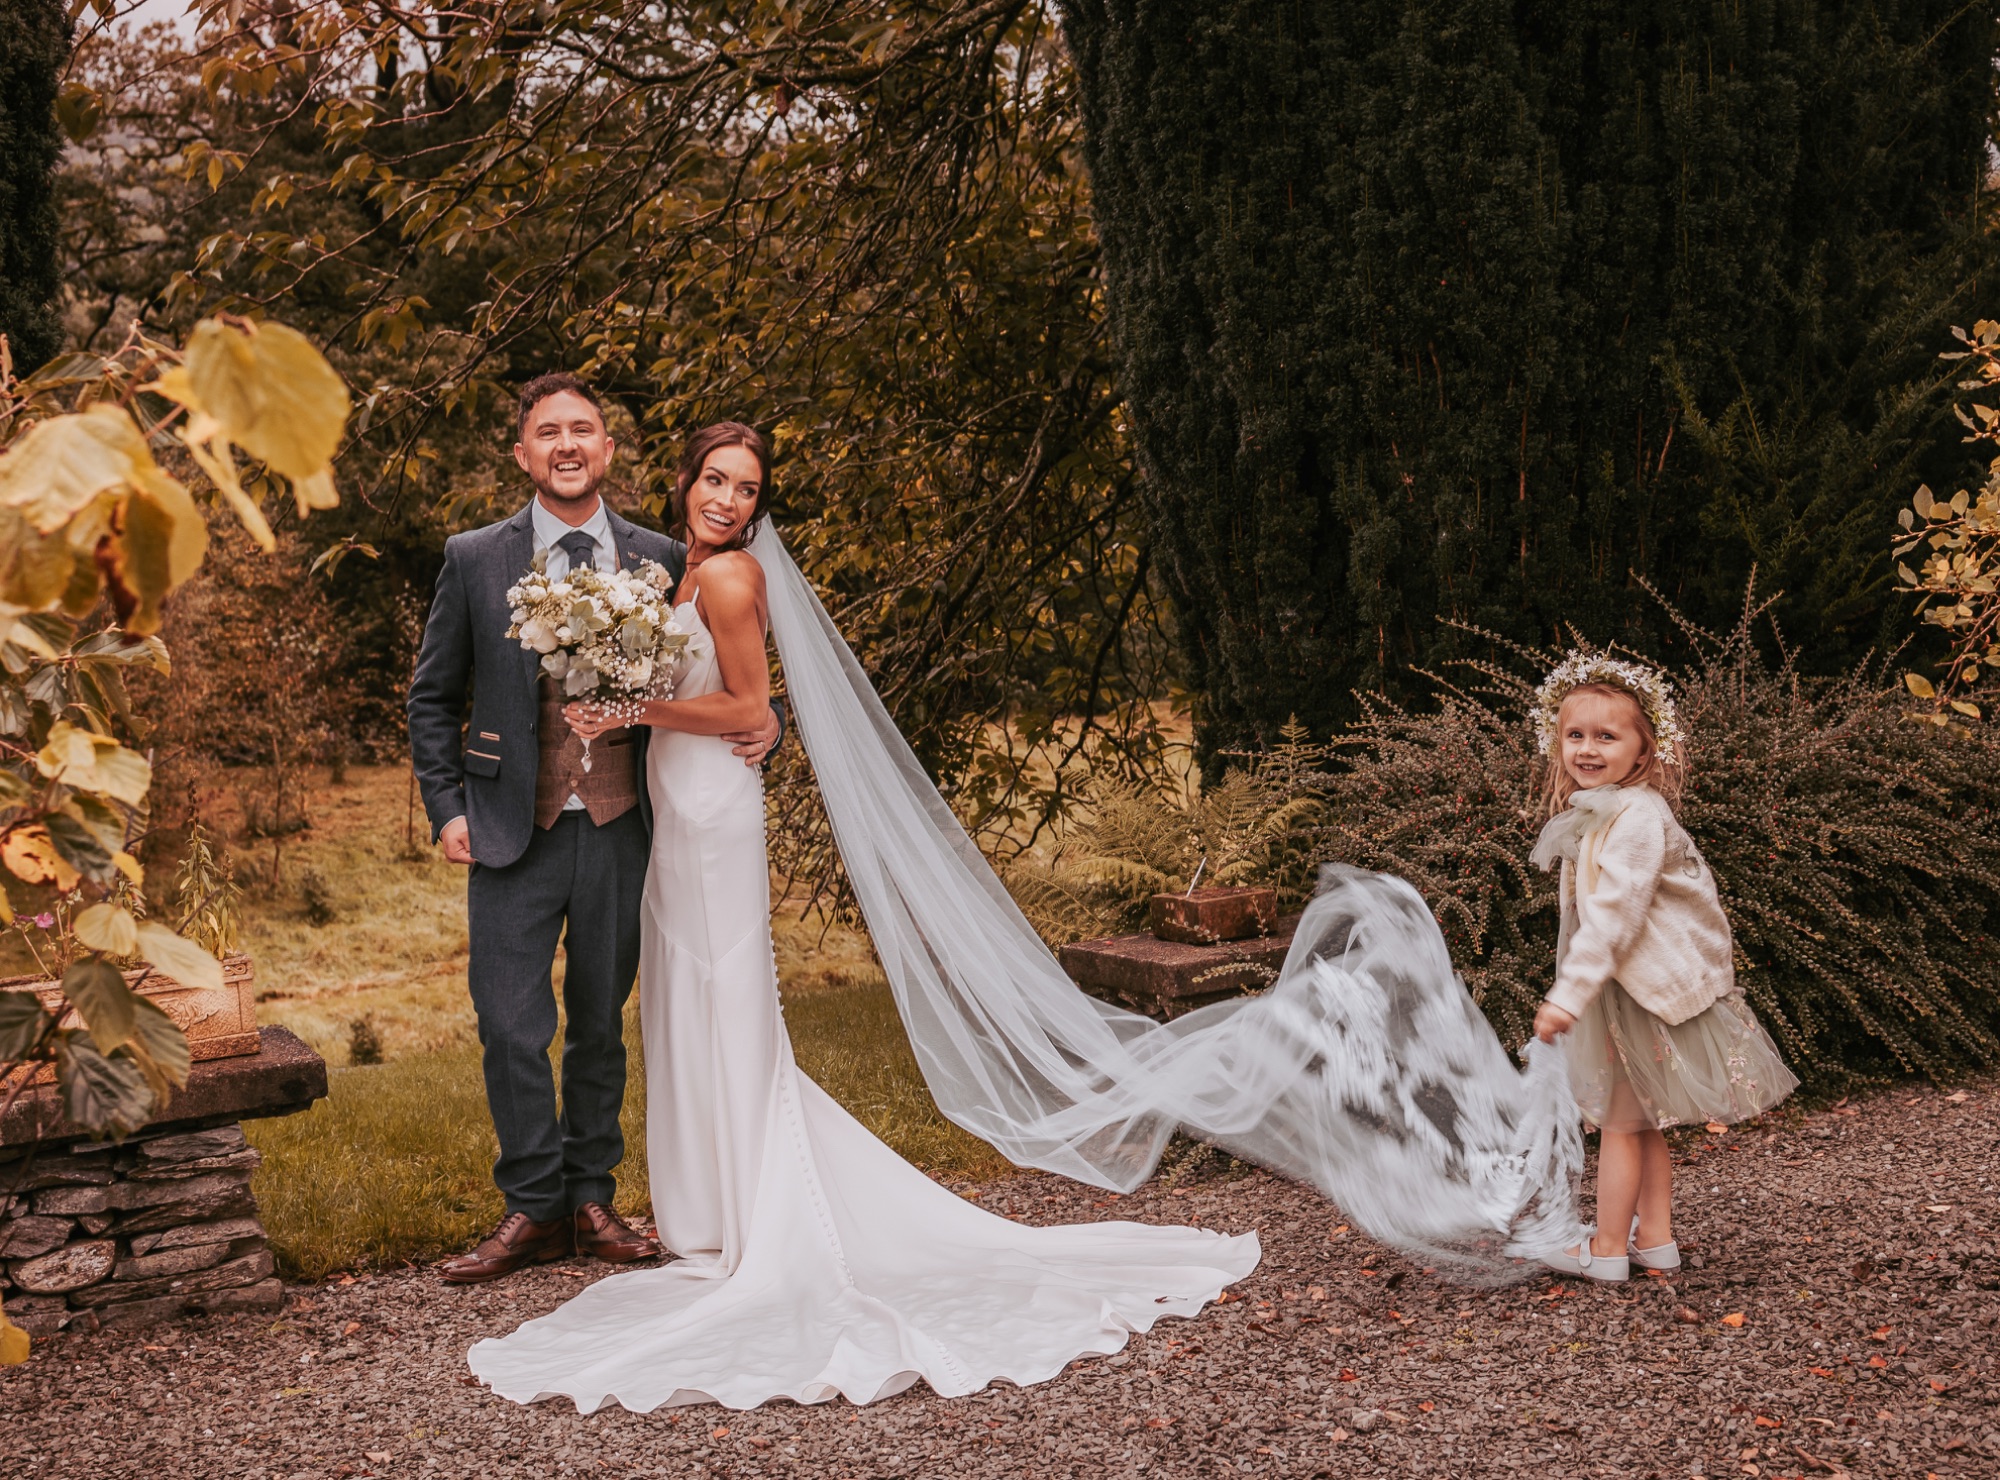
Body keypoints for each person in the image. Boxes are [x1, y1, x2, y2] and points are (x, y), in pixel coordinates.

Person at [466, 422, 1261, 1412]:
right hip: (679, 806)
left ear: (758, 505)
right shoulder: (674, 571)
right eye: (715, 479)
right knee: (687, 991)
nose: (726, 499)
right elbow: (742, 703)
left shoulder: (725, 580)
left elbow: (745, 704)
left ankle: (754, 1210)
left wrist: (636, 712)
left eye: (745, 488)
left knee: (724, 988)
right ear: (684, 483)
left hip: (710, 806)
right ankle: (710, 1210)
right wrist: (657, 704)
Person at [407, 377, 783, 1284]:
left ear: (610, 451)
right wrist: (450, 807)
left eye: (583, 430)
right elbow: (432, 697)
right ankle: (531, 1207)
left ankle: (590, 1200)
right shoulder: (474, 557)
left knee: (602, 1024)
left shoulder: (666, 556)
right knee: (508, 1024)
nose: (567, 444)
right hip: (510, 828)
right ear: (524, 454)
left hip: (626, 828)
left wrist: (762, 722)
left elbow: (729, 678)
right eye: (548, 432)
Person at [1527, 658, 1798, 1283]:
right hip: (1622, 984)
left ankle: (1607, 1250)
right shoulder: (1602, 809)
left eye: (1607, 736)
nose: (1587, 749)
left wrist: (1567, 995)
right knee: (1641, 1119)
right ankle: (1657, 1238)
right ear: (1557, 740)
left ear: (1645, 750)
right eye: (1576, 735)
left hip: (1641, 986)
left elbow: (1615, 916)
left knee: (1622, 1124)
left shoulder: (1638, 817)